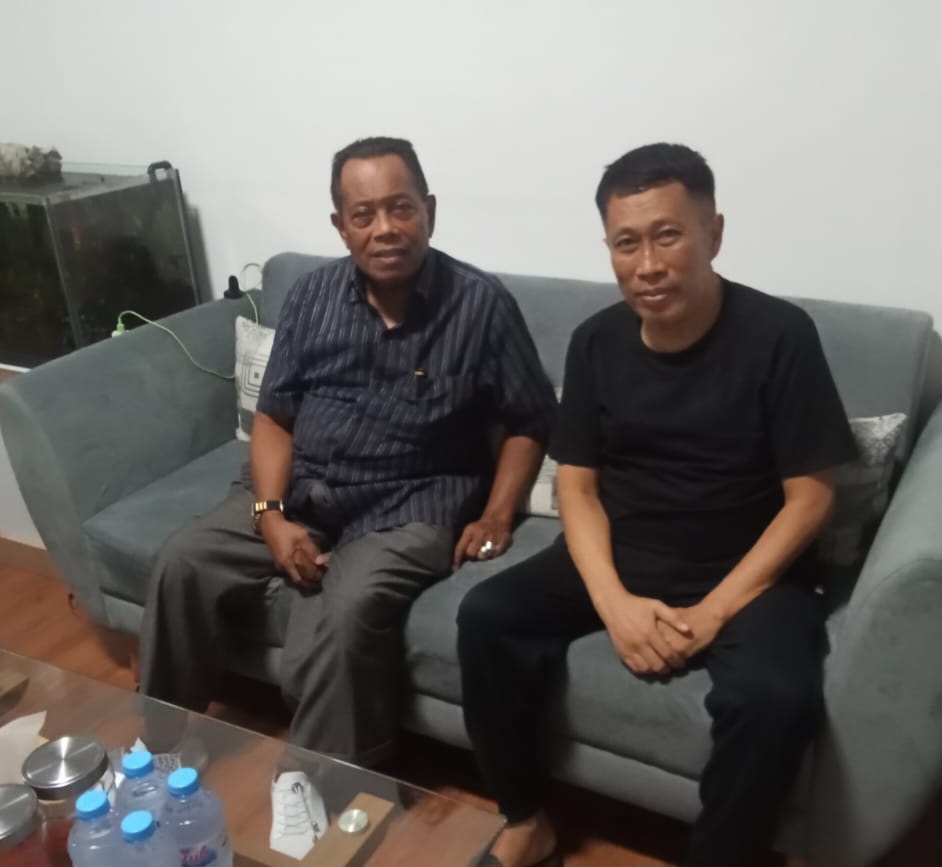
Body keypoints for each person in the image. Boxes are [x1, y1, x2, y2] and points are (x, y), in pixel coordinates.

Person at [138, 136, 557, 858]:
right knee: (181, 560)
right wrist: (271, 518)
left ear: (429, 211)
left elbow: (528, 420)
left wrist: (496, 513)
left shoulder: (481, 304)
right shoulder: (312, 296)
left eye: (401, 208)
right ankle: (163, 744)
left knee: (351, 604)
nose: (384, 228)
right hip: (302, 488)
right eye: (364, 214)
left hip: (413, 504)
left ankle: (310, 776)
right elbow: (274, 416)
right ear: (340, 226)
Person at [457, 143, 857, 867]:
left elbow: (811, 497)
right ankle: (526, 817)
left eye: (667, 236)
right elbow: (577, 485)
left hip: (749, 570)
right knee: (486, 616)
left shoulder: (780, 335)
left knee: (772, 697)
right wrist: (613, 603)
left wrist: (713, 612)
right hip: (626, 549)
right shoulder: (595, 342)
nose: (647, 265)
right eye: (626, 243)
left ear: (713, 233)